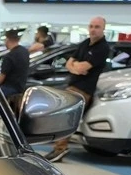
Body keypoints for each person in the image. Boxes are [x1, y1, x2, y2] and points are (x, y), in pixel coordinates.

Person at [46, 16, 111, 162]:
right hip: (72, 85)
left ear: (103, 29)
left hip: (83, 90)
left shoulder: (102, 48)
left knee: (68, 118)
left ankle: (60, 149)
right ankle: (58, 147)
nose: (93, 30)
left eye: (97, 27)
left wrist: (76, 67)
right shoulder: (85, 43)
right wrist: (76, 67)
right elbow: (69, 63)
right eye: (91, 26)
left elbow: (81, 67)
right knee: (62, 116)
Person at [0, 28, 30, 106]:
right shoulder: (25, 52)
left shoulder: (9, 56)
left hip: (9, 88)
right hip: (21, 87)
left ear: (7, 39)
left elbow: (1, 78)